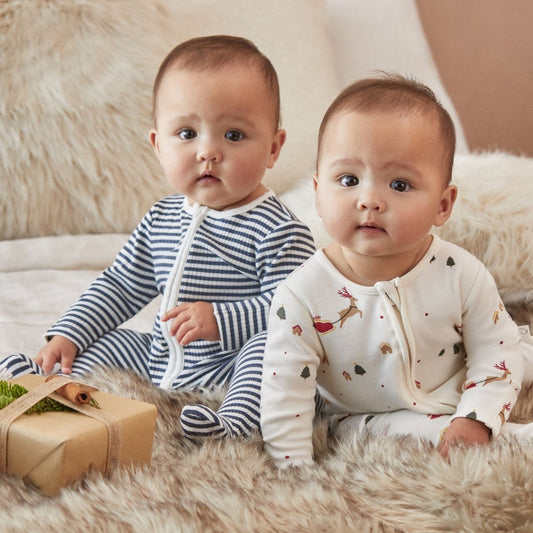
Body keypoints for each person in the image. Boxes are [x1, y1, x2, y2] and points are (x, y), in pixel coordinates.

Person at [0, 36, 315, 438]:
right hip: (162, 358)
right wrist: (69, 334)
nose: (208, 152)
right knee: (105, 342)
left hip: (230, 366)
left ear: (272, 148)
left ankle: (234, 424)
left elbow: (297, 312)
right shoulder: (162, 218)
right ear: (158, 146)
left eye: (234, 135)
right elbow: (121, 284)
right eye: (187, 133)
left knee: (269, 351)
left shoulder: (278, 229)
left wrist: (221, 319)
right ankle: (46, 381)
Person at [260, 74, 533, 467]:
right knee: (445, 437)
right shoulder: (301, 295)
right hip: (371, 414)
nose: (370, 200)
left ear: (443, 205)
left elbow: (496, 351)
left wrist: (477, 412)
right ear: (318, 193)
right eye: (349, 180)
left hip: (458, 373)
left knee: (514, 353)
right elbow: (285, 394)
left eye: (400, 185)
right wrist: (292, 470)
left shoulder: (461, 273)